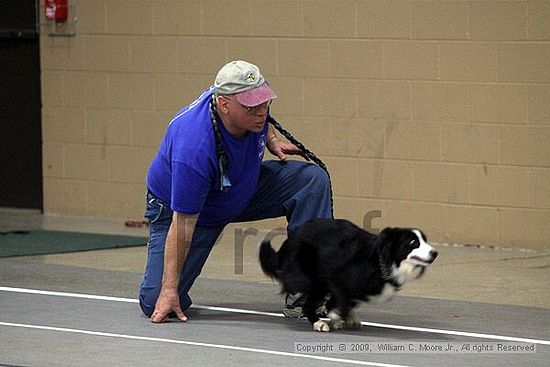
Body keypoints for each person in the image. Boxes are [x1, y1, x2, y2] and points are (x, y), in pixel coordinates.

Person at [139, 60, 332, 323]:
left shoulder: (244, 101)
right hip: (195, 211)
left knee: (311, 181)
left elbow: (261, 111)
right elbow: (182, 223)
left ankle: (304, 286)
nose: (261, 112)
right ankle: (169, 289)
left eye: (264, 102)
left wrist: (272, 139)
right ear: (224, 105)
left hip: (240, 185)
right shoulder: (193, 147)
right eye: (251, 106)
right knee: (157, 302)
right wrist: (170, 288)